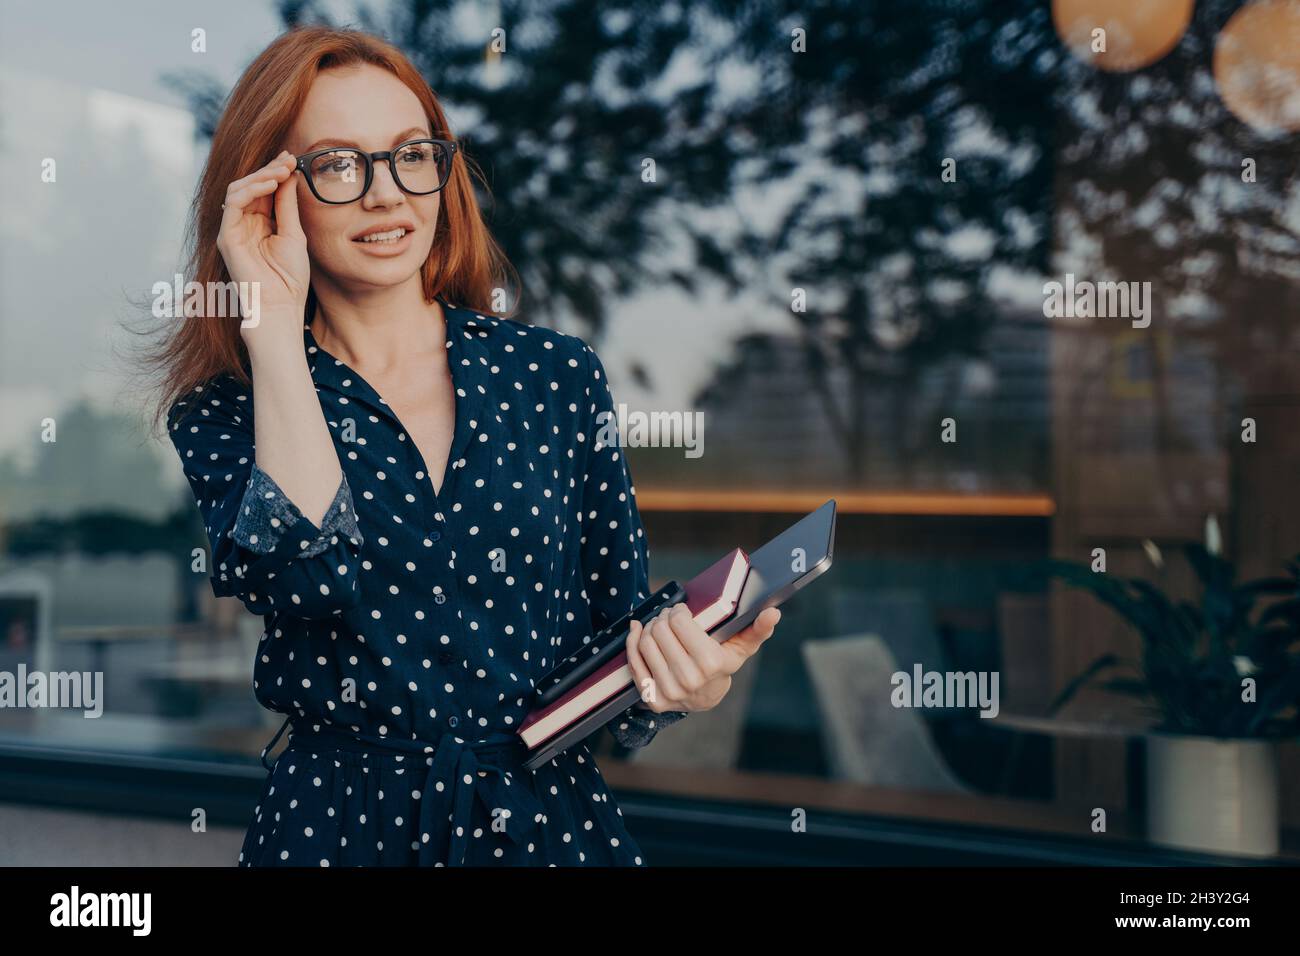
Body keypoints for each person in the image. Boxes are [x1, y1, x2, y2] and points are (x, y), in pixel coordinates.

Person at [153, 25, 780, 866]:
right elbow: (305, 576)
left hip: (545, 826)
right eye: (338, 165)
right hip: (338, 829)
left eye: (412, 155)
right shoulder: (227, 410)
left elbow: (619, 635)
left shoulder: (555, 376)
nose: (387, 194)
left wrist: (683, 682)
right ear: (271, 194)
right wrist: (269, 328)